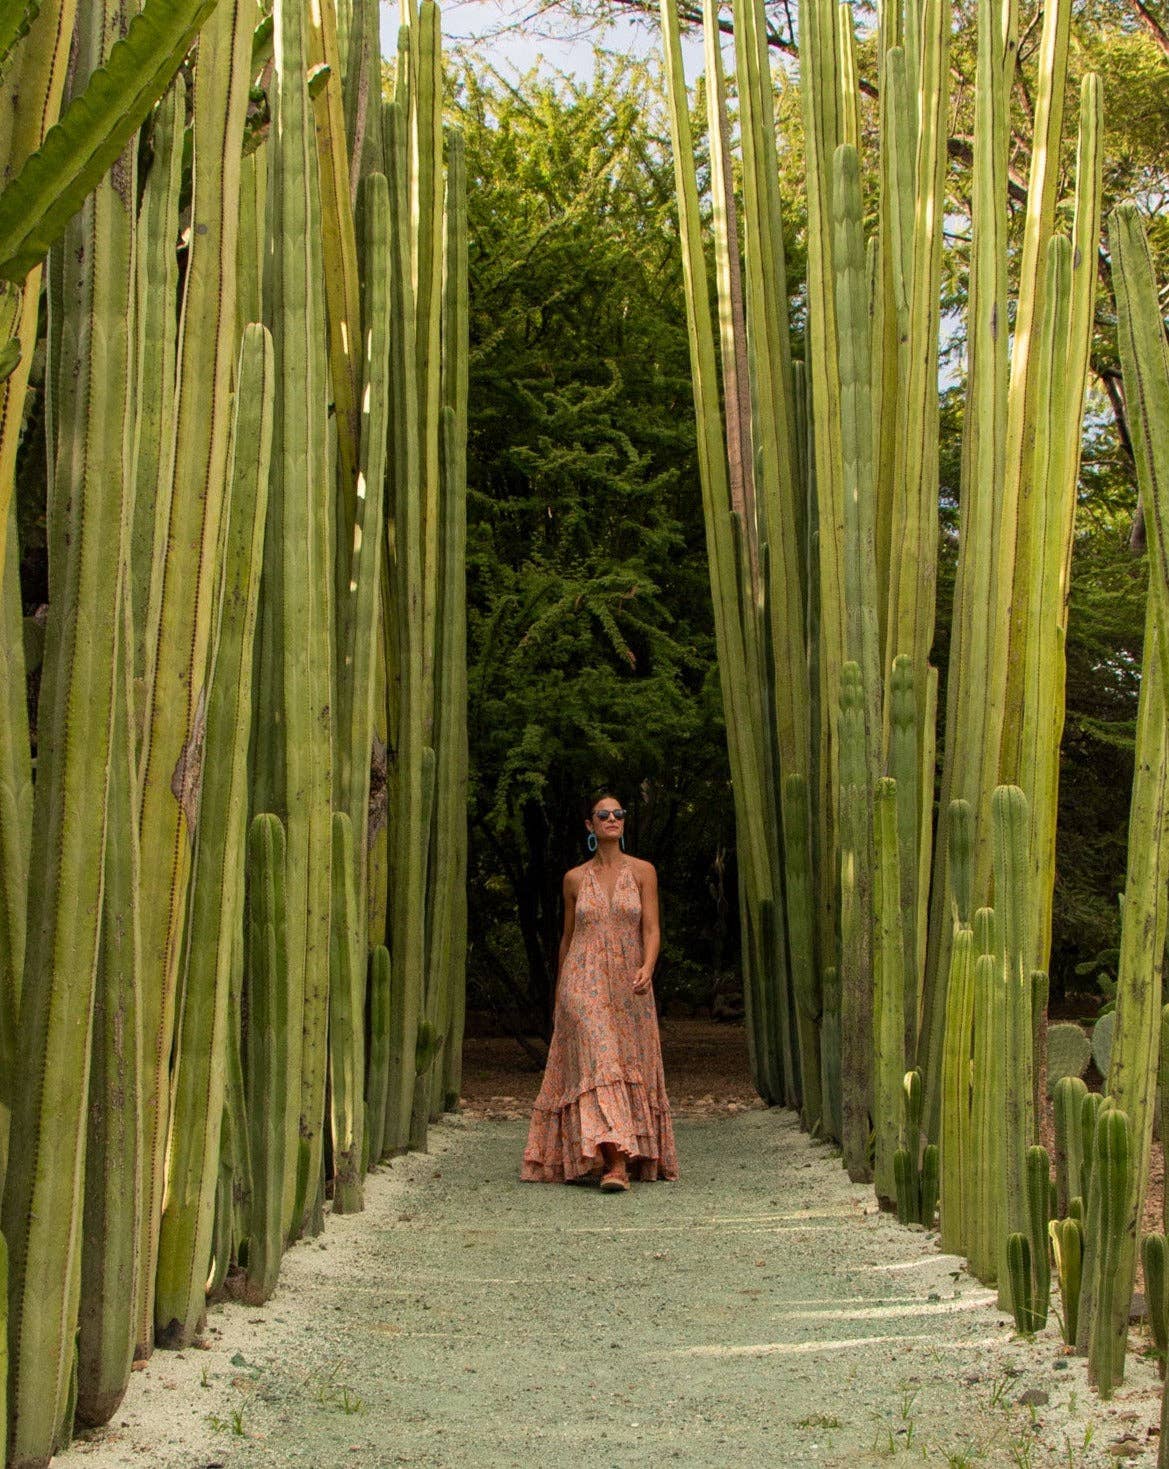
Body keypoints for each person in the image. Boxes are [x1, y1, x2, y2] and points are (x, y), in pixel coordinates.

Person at [521, 792, 678, 1191]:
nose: (613, 818)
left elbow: (652, 929)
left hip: (629, 984)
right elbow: (567, 938)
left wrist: (648, 966)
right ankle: (616, 1166)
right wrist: (561, 992)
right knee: (601, 1060)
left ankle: (614, 1155)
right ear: (590, 826)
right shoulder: (574, 879)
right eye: (603, 814)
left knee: (625, 1063)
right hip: (583, 982)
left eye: (618, 814)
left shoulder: (644, 872)